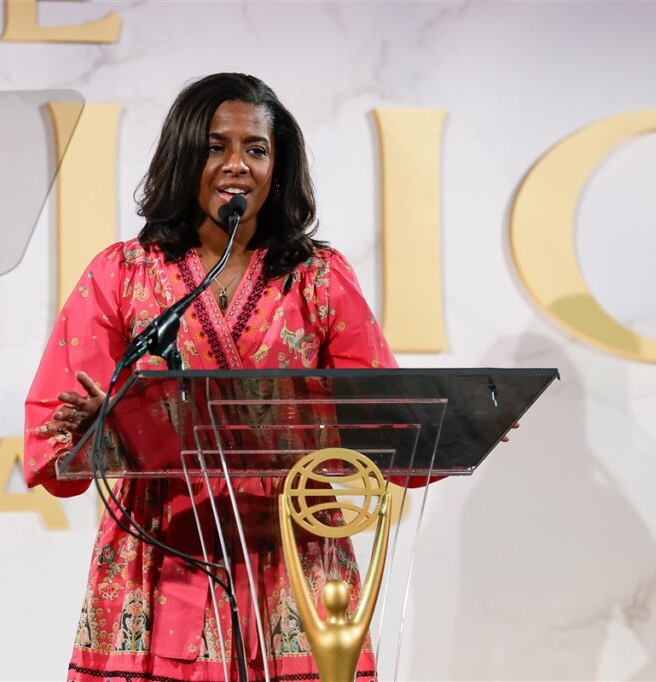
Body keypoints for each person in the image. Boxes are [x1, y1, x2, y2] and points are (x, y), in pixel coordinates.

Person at [24, 73, 398, 682]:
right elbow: (55, 425)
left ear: (279, 166)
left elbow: (382, 411)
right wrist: (105, 426)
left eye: (256, 149)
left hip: (291, 552)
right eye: (215, 146)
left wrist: (462, 420)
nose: (236, 165)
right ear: (182, 155)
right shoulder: (123, 273)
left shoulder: (318, 277)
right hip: (164, 551)